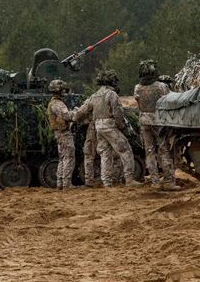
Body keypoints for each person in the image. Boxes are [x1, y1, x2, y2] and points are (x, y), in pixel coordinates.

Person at [74, 69, 140, 188]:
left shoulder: (94, 96)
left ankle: (107, 183)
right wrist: (122, 126)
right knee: (125, 149)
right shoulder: (111, 94)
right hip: (109, 125)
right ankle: (129, 179)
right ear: (112, 81)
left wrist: (73, 119)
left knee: (105, 154)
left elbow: (81, 112)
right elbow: (118, 112)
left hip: (98, 126)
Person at [134, 60, 180, 190]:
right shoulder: (161, 86)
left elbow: (138, 105)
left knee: (149, 152)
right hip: (159, 122)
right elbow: (169, 102)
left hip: (144, 121)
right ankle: (169, 181)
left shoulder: (137, 87)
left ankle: (155, 182)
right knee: (164, 150)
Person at [46, 79, 76, 190]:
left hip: (58, 134)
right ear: (59, 90)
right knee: (69, 157)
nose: (65, 92)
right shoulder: (58, 104)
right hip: (64, 133)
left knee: (63, 158)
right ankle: (67, 184)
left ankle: (60, 183)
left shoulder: (52, 103)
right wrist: (76, 112)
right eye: (63, 90)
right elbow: (67, 116)